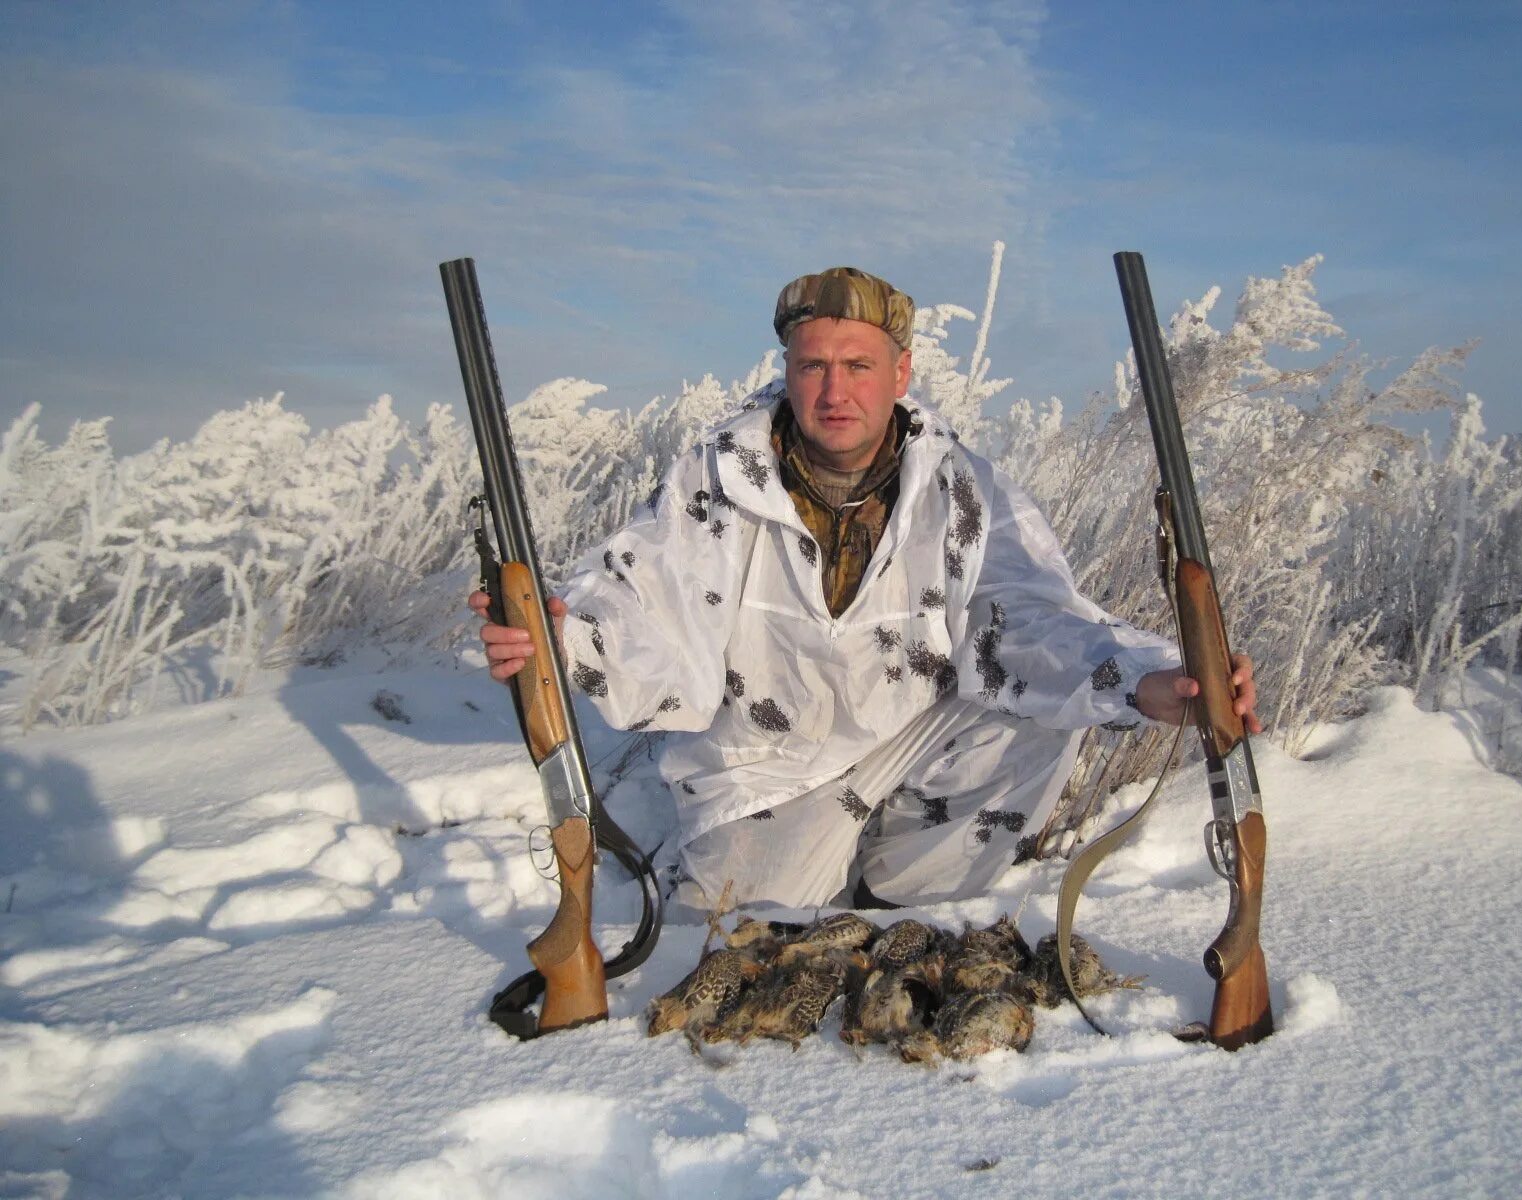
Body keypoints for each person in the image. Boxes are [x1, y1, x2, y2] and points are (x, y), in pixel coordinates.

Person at [471, 266, 1259, 911]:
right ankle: (808, 871)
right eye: (813, 366)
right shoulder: (714, 479)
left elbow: (1026, 619)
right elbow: (646, 594)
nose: (833, 392)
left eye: (858, 367)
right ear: (787, 370)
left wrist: (1151, 680)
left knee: (1047, 713)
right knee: (726, 939)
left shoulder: (963, 489)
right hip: (768, 767)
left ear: (901, 373)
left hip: (913, 729)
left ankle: (903, 905)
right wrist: (564, 635)